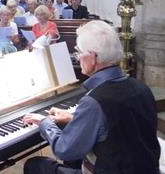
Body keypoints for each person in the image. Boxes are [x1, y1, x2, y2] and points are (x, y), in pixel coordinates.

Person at [23, 20, 160, 174]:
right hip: (146, 169)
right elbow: (120, 125)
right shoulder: (142, 88)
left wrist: (44, 122)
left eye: (79, 51)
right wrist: (73, 118)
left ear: (93, 57)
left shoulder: (94, 101)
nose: (77, 56)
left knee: (36, 165)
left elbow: (64, 149)